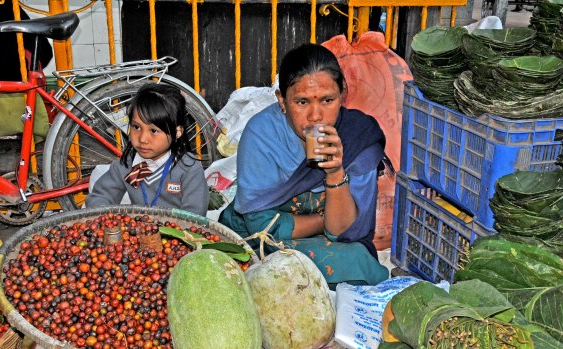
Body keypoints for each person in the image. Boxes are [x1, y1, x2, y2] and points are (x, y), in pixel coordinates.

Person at [219, 43, 390, 286]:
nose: (315, 115)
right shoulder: (262, 134)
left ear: (343, 94)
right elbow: (260, 225)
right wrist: (322, 219)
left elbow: (346, 232)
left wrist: (335, 173)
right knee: (253, 265)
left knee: (359, 261)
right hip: (261, 237)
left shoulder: (358, 138)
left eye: (327, 100)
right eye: (301, 102)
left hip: (321, 236)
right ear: (282, 100)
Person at [85, 83, 209, 216]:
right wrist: (107, 218)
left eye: (154, 131)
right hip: (136, 233)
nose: (143, 139)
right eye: (136, 127)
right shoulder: (126, 165)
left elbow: (195, 216)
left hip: (177, 234)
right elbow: (100, 197)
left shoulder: (189, 169)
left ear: (177, 132)